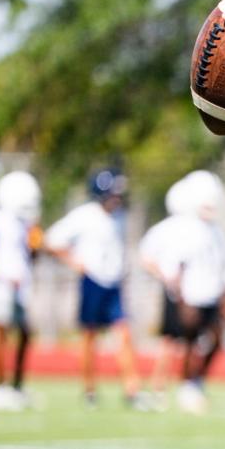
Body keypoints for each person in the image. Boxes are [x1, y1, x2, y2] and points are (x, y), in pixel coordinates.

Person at [44, 168, 146, 408]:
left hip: (113, 284)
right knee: (90, 337)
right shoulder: (85, 215)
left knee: (124, 334)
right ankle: (89, 390)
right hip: (93, 282)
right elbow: (52, 240)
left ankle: (132, 390)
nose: (117, 198)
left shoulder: (119, 217)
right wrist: (75, 262)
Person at [139, 170, 225, 414]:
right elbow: (170, 262)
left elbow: (219, 265)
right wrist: (177, 292)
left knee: (216, 340)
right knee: (176, 342)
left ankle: (193, 382)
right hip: (188, 296)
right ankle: (165, 389)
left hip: (209, 294)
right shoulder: (180, 228)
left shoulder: (214, 231)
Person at [0, 170, 42, 411]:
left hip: (20, 286)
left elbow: (32, 255)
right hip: (1, 285)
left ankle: (16, 386)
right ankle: (0, 387)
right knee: (0, 336)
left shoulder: (26, 225)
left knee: (24, 334)